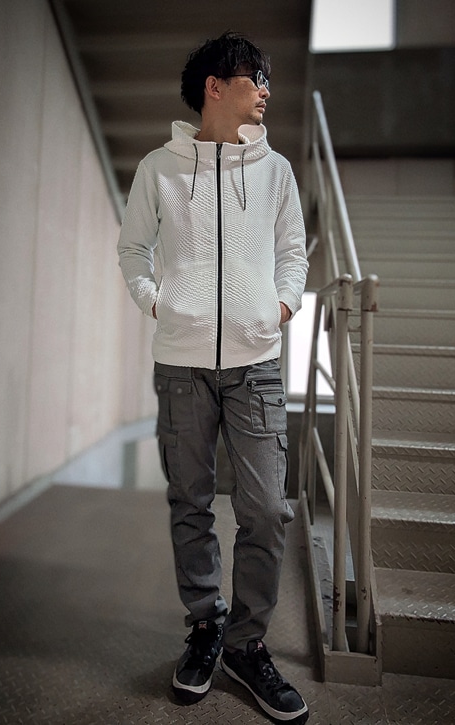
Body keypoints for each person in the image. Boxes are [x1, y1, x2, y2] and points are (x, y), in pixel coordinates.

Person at [117, 31, 309, 724]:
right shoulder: (159, 169)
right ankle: (205, 627)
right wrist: (158, 303)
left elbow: (293, 251)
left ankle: (246, 645)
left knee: (266, 509)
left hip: (256, 364)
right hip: (181, 364)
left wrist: (279, 306)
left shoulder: (276, 171)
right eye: (256, 78)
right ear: (215, 86)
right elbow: (133, 249)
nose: (266, 91)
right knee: (191, 503)